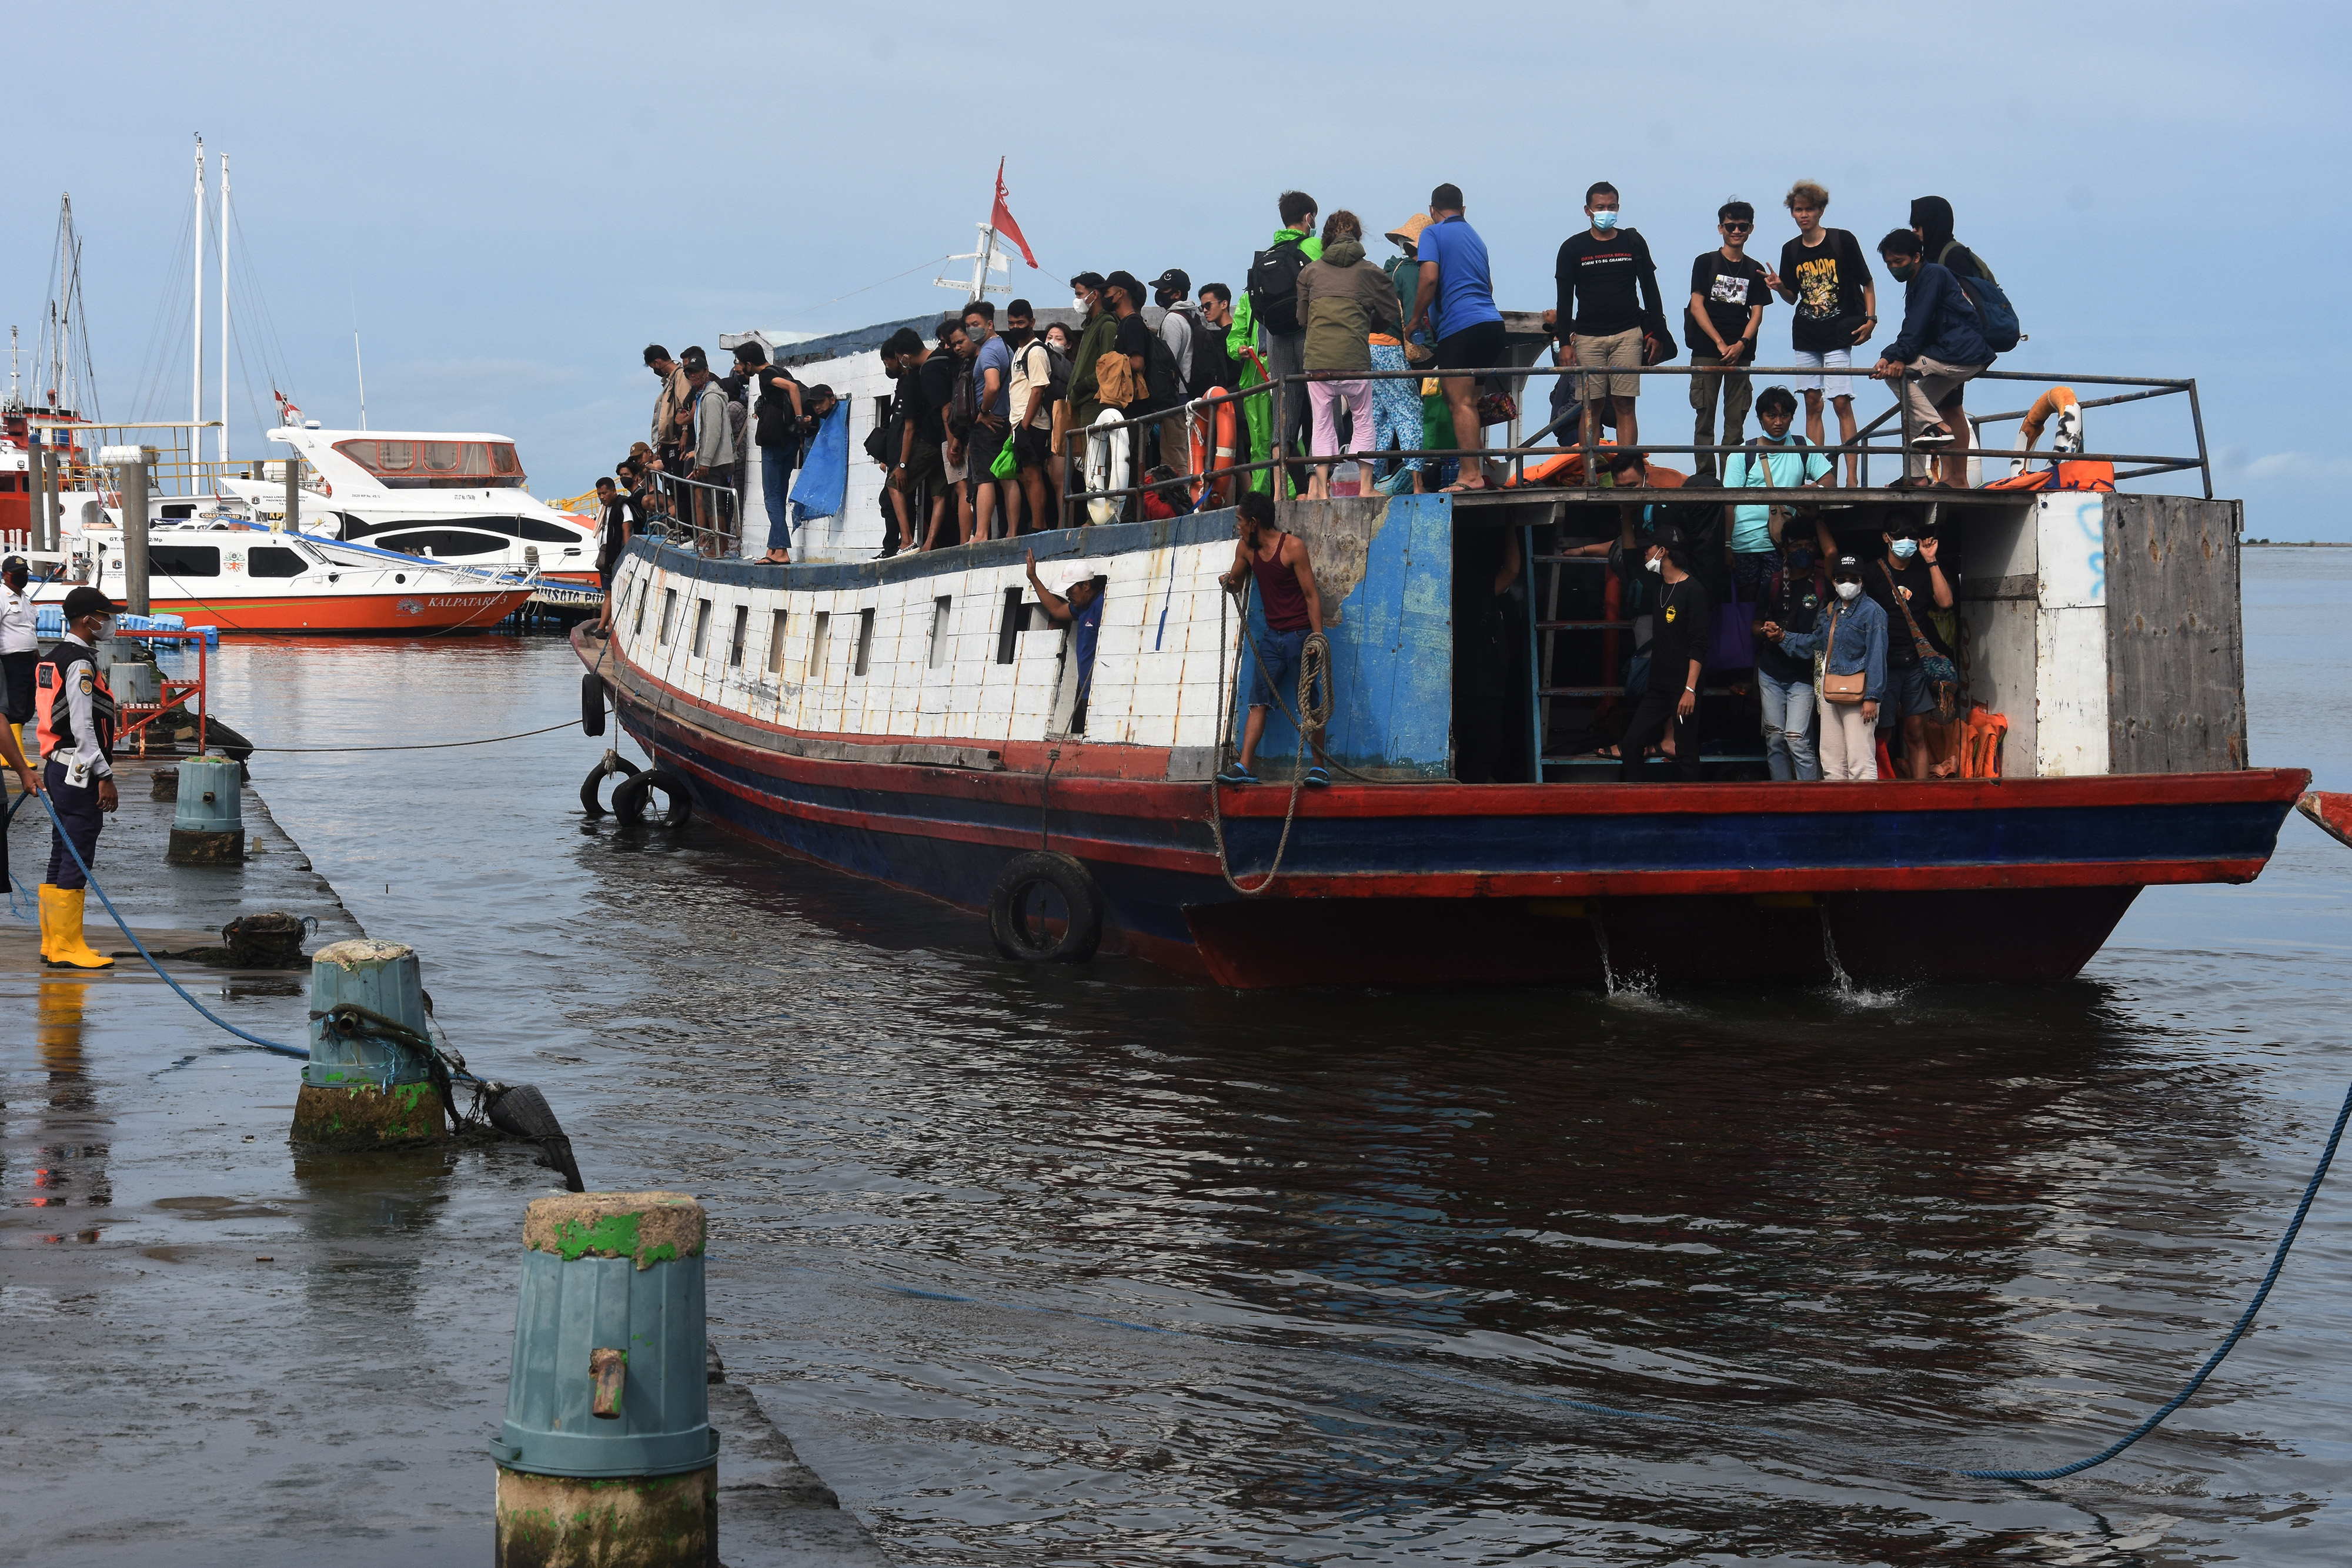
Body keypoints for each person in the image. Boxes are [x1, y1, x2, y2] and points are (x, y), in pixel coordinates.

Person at [1764, 182, 1877, 487]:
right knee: (1813, 403)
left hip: (1839, 333)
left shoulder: (1842, 240)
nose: (1804, 215)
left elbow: (1867, 281)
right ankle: (1821, 476)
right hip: (1805, 333)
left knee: (1841, 402)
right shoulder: (1791, 249)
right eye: (1798, 210)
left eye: (1809, 209)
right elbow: (1792, 297)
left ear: (1821, 210)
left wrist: (1871, 319)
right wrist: (1779, 286)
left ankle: (1851, 477)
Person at [1216, 491, 1327, 787]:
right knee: (1258, 701)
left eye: (1240, 521)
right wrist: (1229, 581)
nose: (1237, 527)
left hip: (1300, 637)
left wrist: (1317, 638)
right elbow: (1237, 582)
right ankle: (1245, 766)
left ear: (1254, 522)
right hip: (1271, 639)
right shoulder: (1246, 549)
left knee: (1310, 703)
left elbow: (1311, 596)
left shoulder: (1292, 547)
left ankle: (1319, 767)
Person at [35, 586, 120, 969]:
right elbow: (83, 726)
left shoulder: (52, 657)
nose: (110, 623)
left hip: (56, 763)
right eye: (106, 616)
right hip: (77, 769)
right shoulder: (80, 664)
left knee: (62, 847)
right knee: (78, 847)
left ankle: (54, 943)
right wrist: (105, 774)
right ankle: (68, 946)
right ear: (89, 620)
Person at [1870, 229, 1994, 489]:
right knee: (1912, 408)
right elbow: (1914, 326)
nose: (1894, 268)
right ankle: (1916, 477)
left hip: (1961, 353)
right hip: (1950, 352)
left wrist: (1894, 357)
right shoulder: (1915, 282)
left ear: (1917, 257)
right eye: (1889, 264)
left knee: (1898, 378)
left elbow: (1918, 323)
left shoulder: (1933, 275)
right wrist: (1891, 355)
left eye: (1899, 262)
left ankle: (1939, 427)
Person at [1551, 181, 1665, 463]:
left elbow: (1650, 289)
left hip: (1628, 334)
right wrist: (1565, 342)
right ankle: (1589, 469)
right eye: (1600, 208)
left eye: (1611, 207)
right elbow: (1564, 301)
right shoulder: (1572, 248)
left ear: (1618, 207)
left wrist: (1658, 332)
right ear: (1588, 210)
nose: (1606, 212)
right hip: (1588, 337)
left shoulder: (1632, 242)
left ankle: (1626, 467)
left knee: (1626, 404)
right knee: (1590, 406)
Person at [1294, 211, 1401, 499]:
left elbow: (1302, 319)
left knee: (1322, 423)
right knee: (1364, 419)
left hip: (1318, 362)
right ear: (1357, 236)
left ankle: (1323, 490)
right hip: (1355, 360)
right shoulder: (1372, 272)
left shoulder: (1310, 272)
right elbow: (1392, 312)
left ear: (1326, 237)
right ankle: (1366, 488)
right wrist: (1367, 325)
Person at [1407, 183, 1506, 492]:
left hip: (1460, 330)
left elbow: (1429, 278)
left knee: (1458, 402)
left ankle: (1471, 476)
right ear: (1463, 210)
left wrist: (1414, 321)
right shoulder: (1476, 237)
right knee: (1472, 402)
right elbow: (1487, 286)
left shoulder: (1432, 233)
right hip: (1492, 327)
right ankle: (1475, 470)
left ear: (1432, 211)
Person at [1769, 555, 1886, 781]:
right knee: (1832, 763)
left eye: (1854, 579)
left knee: (1861, 762)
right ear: (1833, 581)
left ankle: (1865, 814)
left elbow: (1877, 655)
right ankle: (1839, 814)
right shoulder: (1831, 611)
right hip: (1830, 690)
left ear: (1862, 581)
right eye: (1842, 578)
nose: (1847, 583)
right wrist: (1782, 637)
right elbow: (1815, 643)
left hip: (1860, 694)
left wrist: (1872, 696)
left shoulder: (1873, 612)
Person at [1612, 523, 1710, 783]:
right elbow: (1630, 559)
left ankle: (1693, 815)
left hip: (1683, 687)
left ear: (1663, 551)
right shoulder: (1659, 586)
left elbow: (1699, 645)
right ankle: (1638, 805)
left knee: (1686, 752)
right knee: (1631, 743)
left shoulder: (1694, 591)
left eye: (1650, 547)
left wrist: (1689, 690)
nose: (1646, 552)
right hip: (1658, 686)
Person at [1720, 385, 1834, 601]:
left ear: (1792, 418)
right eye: (1771, 416)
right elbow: (1728, 504)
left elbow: (1829, 480)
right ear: (1760, 418)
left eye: (1784, 415)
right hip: (1744, 544)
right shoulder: (1742, 453)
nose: (1778, 422)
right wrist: (1727, 546)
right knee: (1748, 603)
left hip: (1782, 545)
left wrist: (1815, 489)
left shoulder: (1803, 446)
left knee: (1778, 602)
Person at [1863, 517, 1957, 777]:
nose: (1906, 542)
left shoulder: (1921, 571)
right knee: (1882, 734)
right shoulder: (1872, 572)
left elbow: (1946, 602)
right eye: (1899, 536)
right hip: (1884, 666)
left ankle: (1920, 798)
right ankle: (1883, 792)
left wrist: (1930, 560)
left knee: (1915, 734)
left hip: (1915, 665)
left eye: (1911, 537)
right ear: (1886, 538)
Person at [1686, 200, 1769, 480]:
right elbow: (1696, 305)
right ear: (1721, 228)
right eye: (1731, 225)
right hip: (1707, 350)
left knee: (1736, 421)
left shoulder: (1755, 269)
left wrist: (1741, 344)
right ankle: (1706, 479)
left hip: (1741, 353)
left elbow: (1757, 314)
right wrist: (1721, 343)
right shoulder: (1705, 262)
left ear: (1751, 229)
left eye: (1742, 226)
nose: (1736, 231)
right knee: (1705, 416)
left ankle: (1732, 479)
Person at [1253, 192, 1323, 495]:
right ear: (1309, 218)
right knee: (1320, 405)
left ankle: (1280, 488)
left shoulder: (1269, 253)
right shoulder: (1315, 246)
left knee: (1284, 407)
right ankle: (1316, 483)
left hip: (1278, 335)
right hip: (1309, 331)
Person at [1748, 529, 1829, 780]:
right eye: (1796, 546)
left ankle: (1811, 801)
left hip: (1804, 674)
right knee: (1775, 739)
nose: (1802, 551)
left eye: (1808, 545)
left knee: (1797, 740)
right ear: (1785, 551)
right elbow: (1755, 624)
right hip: (1771, 671)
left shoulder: (1823, 583)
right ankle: (1782, 798)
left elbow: (1824, 637)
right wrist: (1766, 631)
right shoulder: (1772, 583)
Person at [1374, 215, 1432, 494]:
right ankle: (1418, 484)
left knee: (1378, 417)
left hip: (1367, 348)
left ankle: (1369, 483)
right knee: (1410, 412)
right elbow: (1413, 320)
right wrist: (1432, 346)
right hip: (1388, 346)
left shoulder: (1387, 270)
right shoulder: (1410, 272)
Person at [736, 343, 809, 564]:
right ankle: (772, 550)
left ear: (750, 363)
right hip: (789, 444)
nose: (740, 368)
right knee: (777, 497)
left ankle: (782, 551)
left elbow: (793, 389)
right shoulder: (780, 370)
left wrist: (798, 419)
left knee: (772, 499)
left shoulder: (766, 375)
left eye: (741, 363)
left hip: (775, 444)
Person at [885, 326, 954, 551]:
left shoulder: (916, 377)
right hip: (946, 440)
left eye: (896, 359)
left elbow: (910, 427)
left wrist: (903, 464)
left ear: (904, 357)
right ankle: (931, 541)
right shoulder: (944, 359)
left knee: (894, 484)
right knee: (939, 493)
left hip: (929, 443)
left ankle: (907, 541)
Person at [1024, 550, 1107, 731]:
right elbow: (1057, 610)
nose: (1069, 594)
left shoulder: (1100, 604)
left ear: (1086, 585)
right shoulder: (1084, 607)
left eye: (1071, 589)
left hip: (1100, 694)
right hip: (1086, 693)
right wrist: (1033, 578)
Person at [1002, 300, 1054, 537]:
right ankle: (1036, 523)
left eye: (1020, 322)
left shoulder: (1035, 351)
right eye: (1011, 323)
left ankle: (1039, 526)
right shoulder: (1020, 351)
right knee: (1024, 474)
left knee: (1032, 475)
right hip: (1020, 423)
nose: (1015, 327)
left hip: (1032, 423)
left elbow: (1038, 390)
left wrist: (1023, 427)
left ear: (1032, 323)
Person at [962, 302, 1013, 542]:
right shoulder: (1005, 347)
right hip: (1006, 421)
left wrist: (983, 410)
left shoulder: (989, 351)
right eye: (968, 326)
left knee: (984, 478)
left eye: (976, 325)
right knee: (1007, 477)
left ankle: (981, 533)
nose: (972, 330)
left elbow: (992, 385)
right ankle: (1012, 532)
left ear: (990, 324)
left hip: (988, 424)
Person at [681, 347, 737, 554]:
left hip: (713, 461)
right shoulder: (703, 395)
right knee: (710, 502)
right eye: (689, 373)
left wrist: (703, 461)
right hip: (708, 460)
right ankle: (716, 543)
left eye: (696, 372)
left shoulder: (711, 397)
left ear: (707, 371)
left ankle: (720, 546)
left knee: (715, 503)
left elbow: (712, 433)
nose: (692, 376)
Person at [591, 477, 641, 631]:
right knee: (609, 593)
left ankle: (601, 628)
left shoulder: (623, 507)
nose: (602, 497)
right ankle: (607, 626)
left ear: (614, 490)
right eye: (599, 494)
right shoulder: (605, 508)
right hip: (606, 557)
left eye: (604, 493)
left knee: (610, 594)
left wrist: (628, 559)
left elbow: (627, 532)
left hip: (616, 557)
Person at [2, 553, 38, 758]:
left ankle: (11, 751)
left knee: (26, 706)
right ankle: (14, 755)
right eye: (17, 573)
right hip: (9, 659)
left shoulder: (25, 598)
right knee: (13, 705)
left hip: (28, 659)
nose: (22, 576)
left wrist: (36, 652)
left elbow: (28, 629)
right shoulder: (1, 597)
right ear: (6, 575)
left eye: (24, 572)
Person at [643, 344, 691, 474]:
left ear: (657, 362)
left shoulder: (680, 376)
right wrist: (661, 442)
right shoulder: (670, 381)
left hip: (677, 440)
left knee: (680, 482)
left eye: (653, 367)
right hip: (669, 441)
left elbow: (685, 406)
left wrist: (685, 433)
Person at [1190, 283, 1240, 397]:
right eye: (1202, 307)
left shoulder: (1226, 335)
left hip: (1231, 396)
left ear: (1224, 304)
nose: (1205, 311)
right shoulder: (1237, 331)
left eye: (1208, 305)